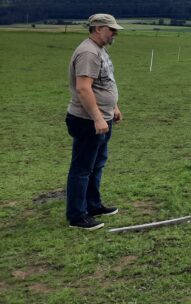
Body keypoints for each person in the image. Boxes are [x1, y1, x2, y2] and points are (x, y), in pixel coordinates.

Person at [65, 14, 124, 230]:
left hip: (102, 119)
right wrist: (98, 117)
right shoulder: (88, 52)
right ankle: (77, 216)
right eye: (111, 29)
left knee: (96, 165)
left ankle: (93, 205)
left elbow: (104, 82)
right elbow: (83, 88)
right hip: (87, 120)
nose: (114, 33)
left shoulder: (100, 50)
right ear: (98, 29)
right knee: (82, 168)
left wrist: (113, 107)